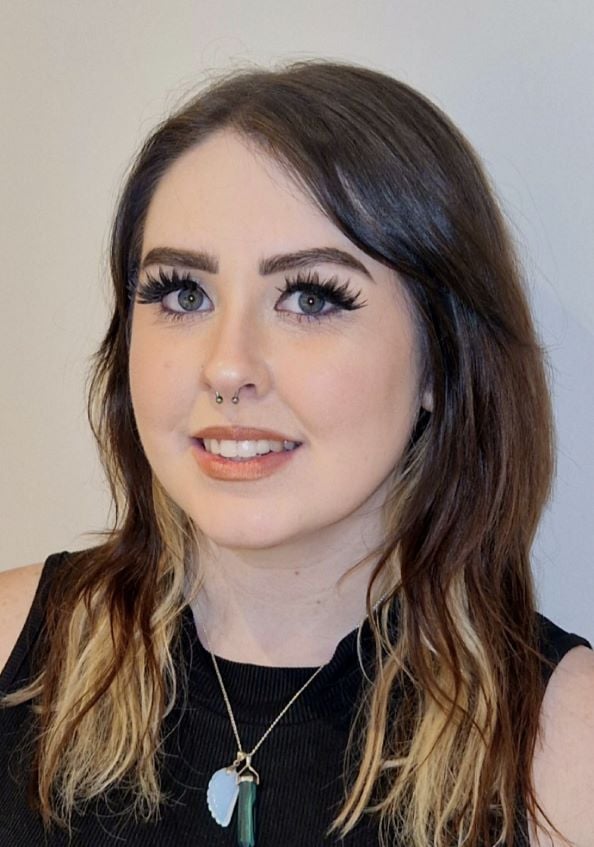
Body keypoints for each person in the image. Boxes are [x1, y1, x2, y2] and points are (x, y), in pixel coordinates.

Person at [0, 59, 592, 847]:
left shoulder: (564, 747)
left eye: (311, 297)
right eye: (182, 292)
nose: (228, 365)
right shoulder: (12, 643)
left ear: (441, 362)